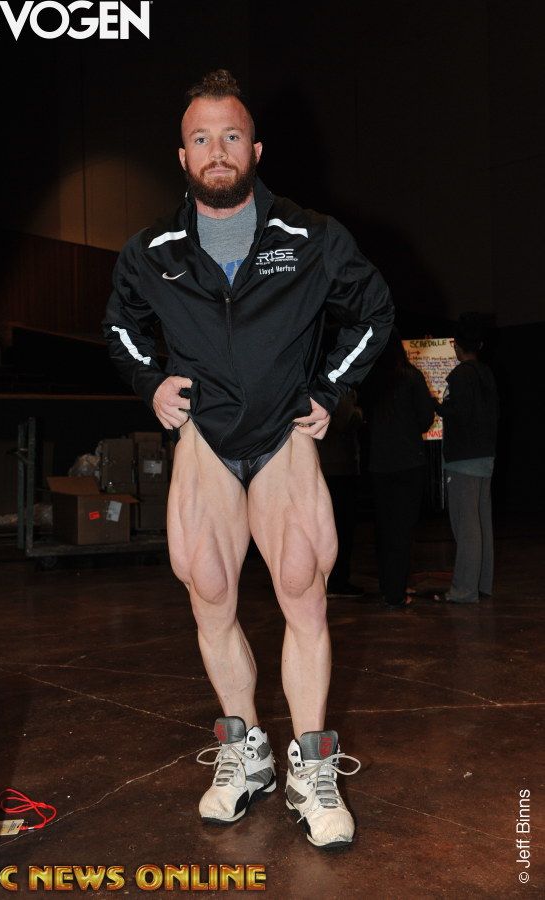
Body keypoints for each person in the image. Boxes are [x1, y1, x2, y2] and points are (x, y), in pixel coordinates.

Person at [103, 70, 394, 849]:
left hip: (281, 434)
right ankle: (244, 752)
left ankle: (312, 767)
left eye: (230, 136)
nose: (217, 150)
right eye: (201, 138)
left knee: (302, 587)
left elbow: (373, 312)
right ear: (182, 156)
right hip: (205, 436)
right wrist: (149, 383)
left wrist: (330, 390)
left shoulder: (311, 235)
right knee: (207, 588)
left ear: (255, 149)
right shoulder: (152, 250)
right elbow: (120, 326)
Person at [362, 329, 434, 607]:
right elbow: (426, 418)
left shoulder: (371, 378)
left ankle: (387, 587)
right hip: (409, 462)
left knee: (384, 528)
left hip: (379, 463)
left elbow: (364, 418)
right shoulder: (412, 376)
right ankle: (396, 592)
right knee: (403, 530)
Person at [434, 315, 498, 604]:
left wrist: (435, 405)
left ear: (456, 345)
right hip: (485, 455)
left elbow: (455, 412)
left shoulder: (460, 375)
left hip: (463, 458)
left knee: (466, 524)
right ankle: (482, 583)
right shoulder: (486, 373)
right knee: (482, 521)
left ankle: (464, 590)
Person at [318, 388, 365, 598]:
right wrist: (359, 412)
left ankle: (329, 580)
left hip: (327, 466)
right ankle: (336, 581)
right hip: (339, 467)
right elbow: (345, 420)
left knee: (330, 528)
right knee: (341, 529)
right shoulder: (340, 390)